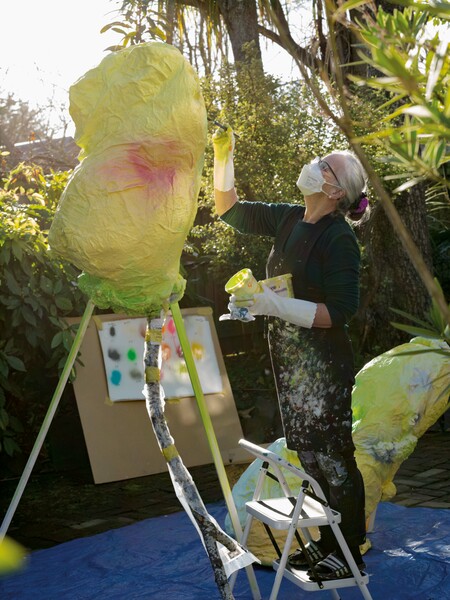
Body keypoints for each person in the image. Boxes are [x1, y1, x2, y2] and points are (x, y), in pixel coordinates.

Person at [213, 126, 369, 581]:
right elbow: (229, 210)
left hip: (323, 367)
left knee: (336, 458)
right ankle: (328, 545)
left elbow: (338, 312)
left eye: (326, 166)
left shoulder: (339, 239)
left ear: (335, 189)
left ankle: (350, 551)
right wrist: (224, 155)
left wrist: (270, 304)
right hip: (292, 363)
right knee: (311, 457)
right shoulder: (286, 218)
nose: (315, 165)